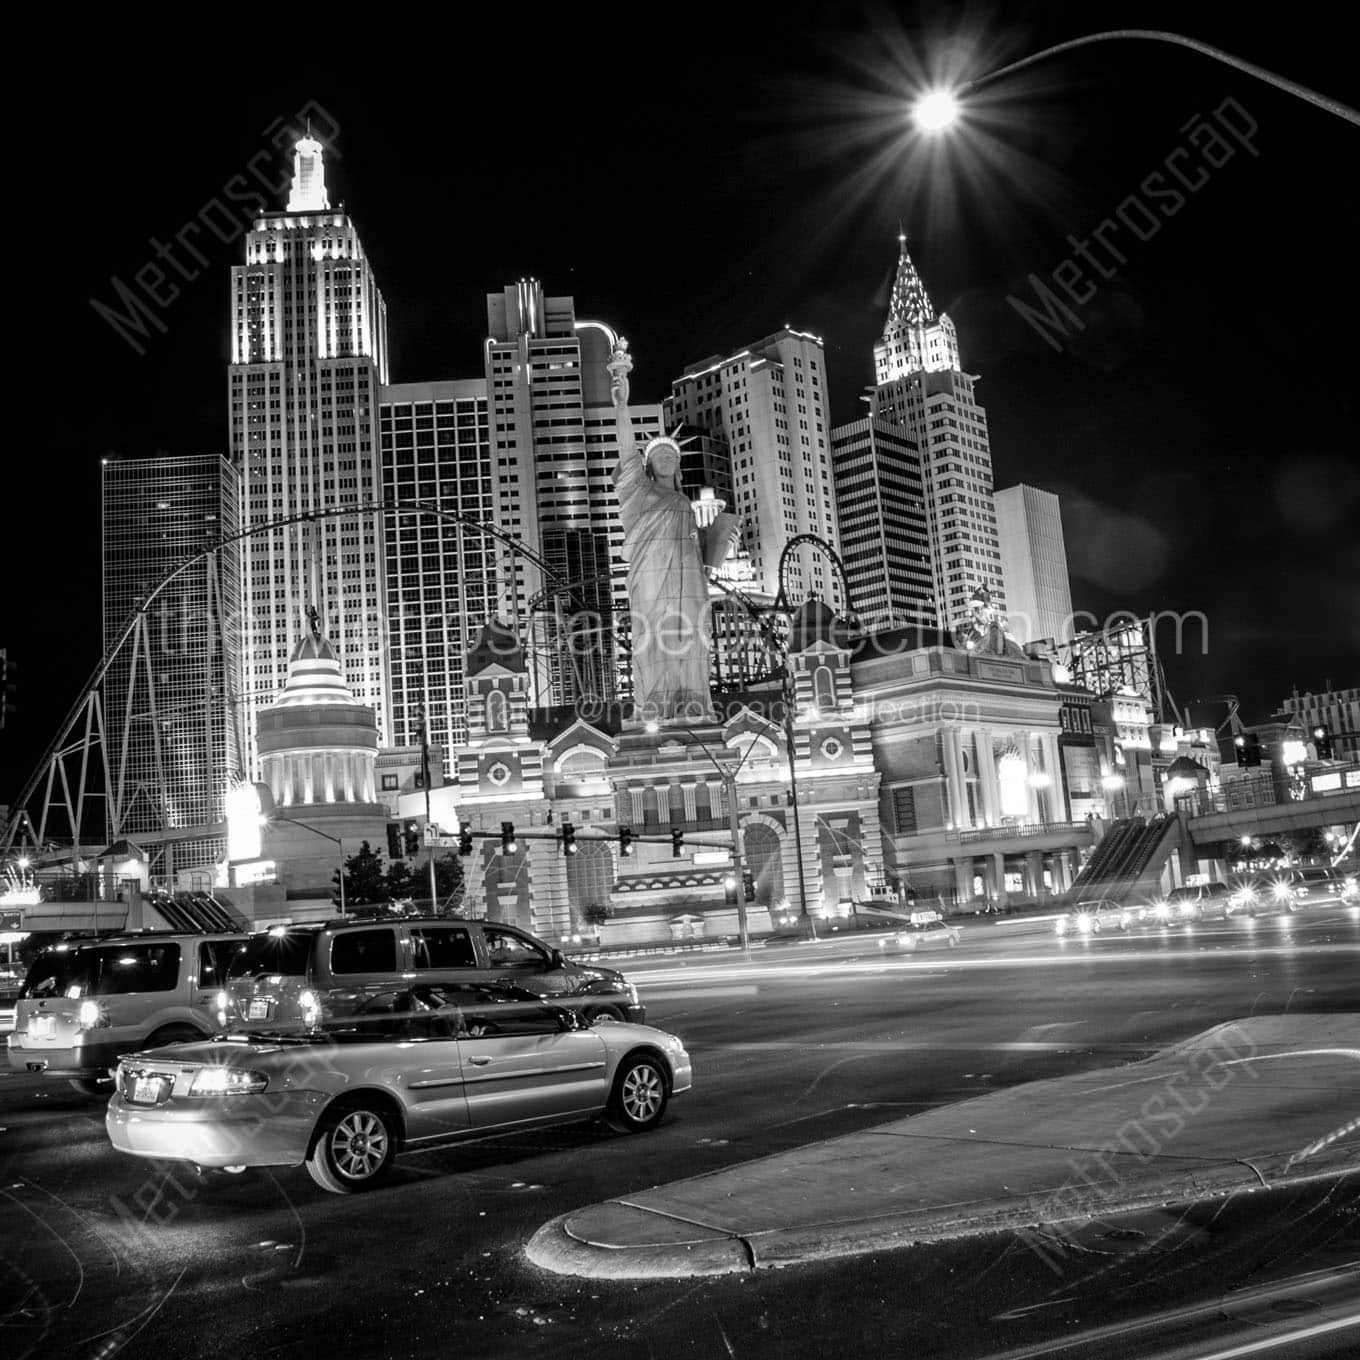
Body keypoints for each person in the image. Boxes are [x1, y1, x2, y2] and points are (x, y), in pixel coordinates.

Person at [609, 339, 714, 726]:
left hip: (689, 578)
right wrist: (621, 404)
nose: (666, 458)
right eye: (659, 457)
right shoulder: (641, 491)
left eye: (672, 456)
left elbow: (698, 549)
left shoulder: (683, 503)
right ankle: (655, 701)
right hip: (650, 575)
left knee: (692, 633)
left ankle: (692, 699)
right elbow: (626, 451)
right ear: (650, 466)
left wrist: (716, 545)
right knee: (652, 634)